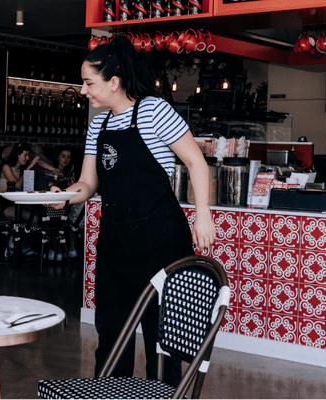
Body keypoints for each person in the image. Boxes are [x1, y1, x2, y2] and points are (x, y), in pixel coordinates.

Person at [50, 36, 216, 386]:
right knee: (112, 335)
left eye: (88, 83)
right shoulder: (99, 124)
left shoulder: (153, 110)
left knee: (164, 340)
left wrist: (204, 215)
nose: (83, 91)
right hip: (115, 245)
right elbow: (87, 184)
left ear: (114, 81)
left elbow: (196, 163)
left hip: (161, 243)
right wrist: (65, 196)